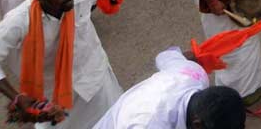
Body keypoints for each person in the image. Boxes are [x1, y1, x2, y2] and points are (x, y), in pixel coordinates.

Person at [0, 0, 122, 128]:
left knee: (116, 121)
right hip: (56, 103)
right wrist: (17, 97)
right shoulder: (19, 21)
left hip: (98, 83)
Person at [94, 49, 245, 129]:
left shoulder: (195, 74)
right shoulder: (149, 124)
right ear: (197, 125)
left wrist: (184, 57)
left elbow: (166, 55)